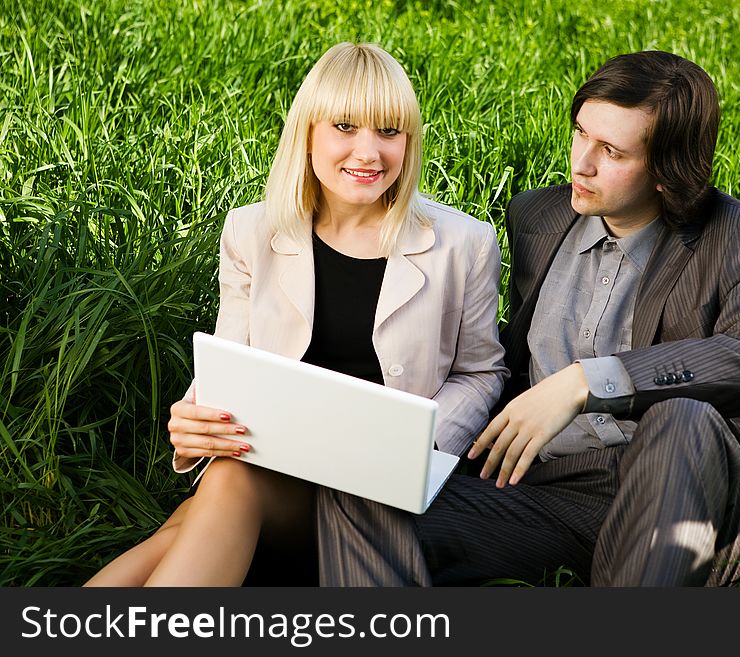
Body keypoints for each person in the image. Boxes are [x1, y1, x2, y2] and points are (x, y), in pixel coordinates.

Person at [314, 50, 740, 586]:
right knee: (362, 478)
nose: (582, 163)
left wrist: (586, 382)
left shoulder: (739, 237)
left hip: (675, 480)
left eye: (612, 152)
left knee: (682, 416)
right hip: (539, 491)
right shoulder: (539, 217)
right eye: (580, 134)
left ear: (669, 169)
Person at [84, 42, 508, 587]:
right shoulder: (250, 232)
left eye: (389, 131)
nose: (369, 152)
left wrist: (414, 442)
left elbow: (481, 372)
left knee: (192, 520)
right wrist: (194, 420)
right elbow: (229, 366)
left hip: (375, 493)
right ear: (307, 132)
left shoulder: (463, 243)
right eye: (346, 126)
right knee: (232, 475)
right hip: (273, 472)